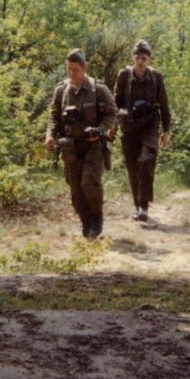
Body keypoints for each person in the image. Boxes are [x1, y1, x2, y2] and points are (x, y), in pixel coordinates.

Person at [45, 49, 117, 239]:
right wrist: (49, 135)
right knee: (76, 192)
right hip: (70, 147)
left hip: (93, 146)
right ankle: (86, 221)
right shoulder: (61, 91)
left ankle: (97, 217)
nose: (71, 73)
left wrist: (100, 130)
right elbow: (53, 116)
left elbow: (112, 113)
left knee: (89, 183)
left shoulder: (98, 89)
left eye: (75, 69)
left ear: (84, 68)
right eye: (68, 69)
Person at [114, 40, 171, 222]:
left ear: (149, 59)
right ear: (133, 57)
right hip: (130, 126)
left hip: (150, 125)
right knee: (132, 166)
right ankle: (138, 205)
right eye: (137, 57)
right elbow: (116, 102)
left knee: (147, 159)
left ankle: (144, 206)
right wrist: (114, 126)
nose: (140, 61)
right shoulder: (124, 75)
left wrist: (166, 131)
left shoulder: (156, 77)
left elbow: (164, 105)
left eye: (144, 58)